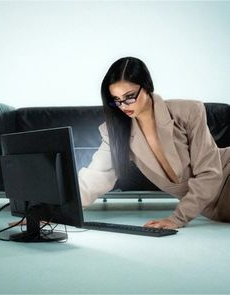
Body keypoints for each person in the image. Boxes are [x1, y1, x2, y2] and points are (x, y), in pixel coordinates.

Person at [78, 56, 230, 230]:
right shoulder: (116, 132)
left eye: (129, 97)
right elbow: (95, 176)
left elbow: (209, 173)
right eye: (116, 100)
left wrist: (177, 218)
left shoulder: (189, 111)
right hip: (212, 206)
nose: (123, 105)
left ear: (147, 86)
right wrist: (56, 210)